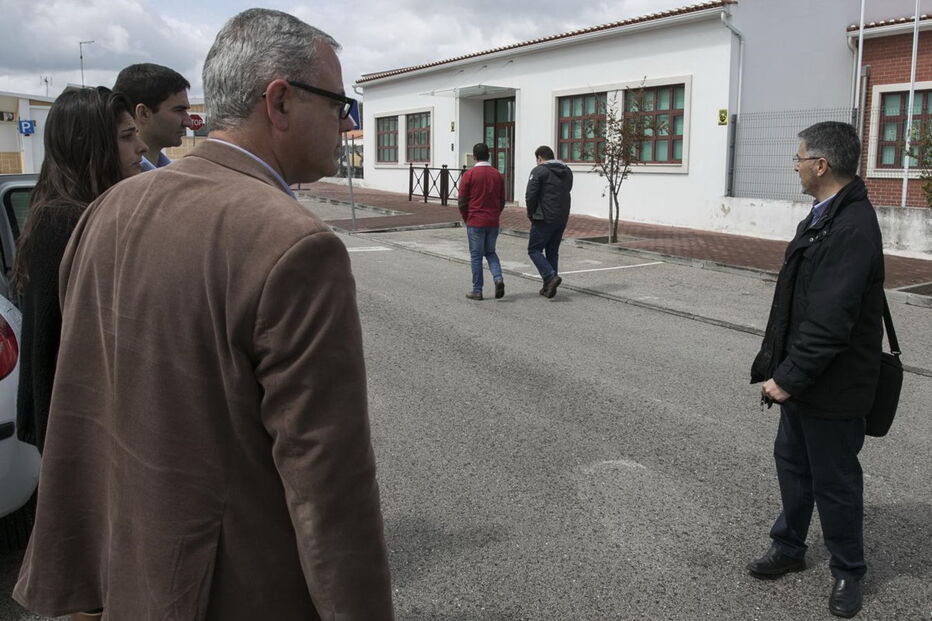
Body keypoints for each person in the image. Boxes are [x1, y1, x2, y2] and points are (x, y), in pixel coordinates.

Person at [15, 9, 394, 620]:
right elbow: (329, 483)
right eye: (337, 103)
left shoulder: (110, 209)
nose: (346, 122)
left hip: (127, 573)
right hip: (230, 589)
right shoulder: (296, 245)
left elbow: (82, 402)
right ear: (279, 101)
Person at [748, 121, 885, 619]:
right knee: (794, 466)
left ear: (822, 165)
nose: (795, 166)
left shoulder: (852, 226)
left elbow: (830, 322)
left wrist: (786, 378)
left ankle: (849, 571)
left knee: (836, 482)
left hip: (832, 384)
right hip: (806, 378)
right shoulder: (826, 214)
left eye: (799, 158)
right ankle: (789, 547)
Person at [12, 86, 146, 455]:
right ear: (91, 145)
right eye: (126, 136)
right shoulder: (68, 221)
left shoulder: (65, 211)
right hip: (81, 432)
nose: (141, 146)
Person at [113, 63, 192, 170]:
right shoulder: (115, 180)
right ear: (143, 113)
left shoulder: (170, 173)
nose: (188, 122)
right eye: (179, 110)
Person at [458, 142, 505, 300]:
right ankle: (498, 278)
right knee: (490, 252)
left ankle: (477, 290)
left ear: (474, 157)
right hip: (492, 221)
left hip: (475, 220)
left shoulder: (469, 175)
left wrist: (466, 217)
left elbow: (462, 201)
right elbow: (502, 200)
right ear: (489, 155)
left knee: (476, 256)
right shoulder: (497, 174)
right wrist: (495, 214)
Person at [525, 145, 572, 298]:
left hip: (543, 217)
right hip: (562, 216)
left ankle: (551, 277)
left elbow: (530, 195)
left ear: (539, 158)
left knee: (534, 249)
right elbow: (568, 189)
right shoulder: (567, 171)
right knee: (552, 251)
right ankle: (549, 287)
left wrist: (531, 213)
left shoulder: (539, 171)